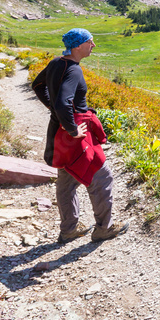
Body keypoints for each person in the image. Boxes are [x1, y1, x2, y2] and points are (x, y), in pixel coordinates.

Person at [32, 28, 126, 243]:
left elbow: (37, 86)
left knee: (67, 179)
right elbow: (64, 101)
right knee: (101, 177)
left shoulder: (57, 63)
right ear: (77, 46)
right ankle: (104, 228)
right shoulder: (73, 70)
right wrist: (73, 128)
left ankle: (69, 230)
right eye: (90, 42)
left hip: (58, 132)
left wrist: (58, 115)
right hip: (76, 134)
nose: (93, 46)